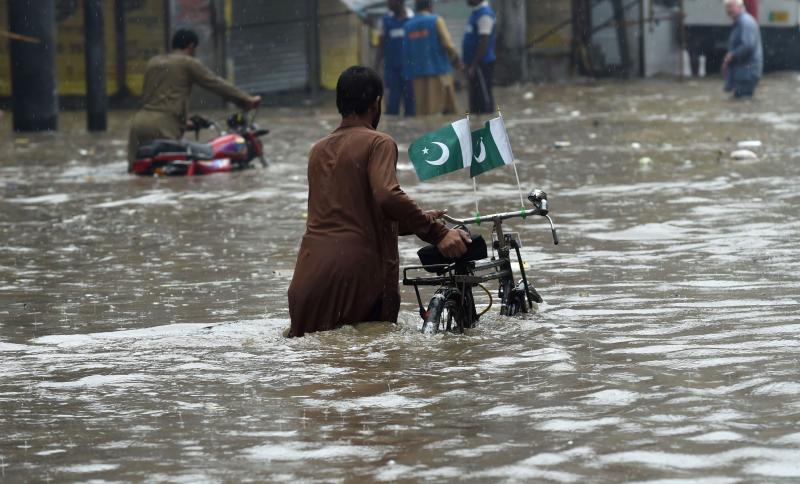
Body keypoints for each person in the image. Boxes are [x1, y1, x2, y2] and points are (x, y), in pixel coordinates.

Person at [287, 66, 470, 337]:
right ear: (376, 103)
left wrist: (416, 219)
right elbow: (386, 194)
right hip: (358, 277)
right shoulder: (378, 142)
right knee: (374, 370)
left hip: (307, 279)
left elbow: (347, 217)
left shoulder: (318, 150)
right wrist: (438, 232)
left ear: (340, 103)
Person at [127, 29, 260, 171]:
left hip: (138, 125)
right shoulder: (187, 63)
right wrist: (246, 99)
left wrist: (186, 122)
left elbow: (158, 100)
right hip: (162, 127)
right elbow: (215, 83)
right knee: (171, 180)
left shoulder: (153, 62)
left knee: (136, 172)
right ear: (191, 46)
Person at [404, 0, 462, 115]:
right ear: (430, 6)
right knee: (444, 113)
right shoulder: (436, 20)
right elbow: (448, 44)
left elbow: (406, 51)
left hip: (417, 75)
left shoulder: (408, 26)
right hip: (439, 72)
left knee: (423, 113)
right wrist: (456, 59)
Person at [375, 0, 415, 116]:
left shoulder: (413, 20)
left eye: (391, 1)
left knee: (411, 106)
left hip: (410, 70)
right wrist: (376, 66)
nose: (388, 3)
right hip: (391, 70)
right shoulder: (385, 20)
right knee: (392, 105)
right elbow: (380, 45)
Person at [722, 0, 762, 98]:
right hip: (743, 72)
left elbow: (747, 45)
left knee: (742, 104)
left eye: (731, 6)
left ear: (740, 6)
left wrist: (731, 55)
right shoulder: (741, 21)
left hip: (747, 73)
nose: (728, 10)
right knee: (740, 104)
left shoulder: (745, 22)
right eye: (727, 7)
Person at [463, 0, 497, 114]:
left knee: (483, 99)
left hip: (481, 64)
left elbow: (484, 42)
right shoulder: (476, 13)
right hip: (474, 64)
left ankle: (486, 124)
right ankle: (476, 125)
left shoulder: (484, 14)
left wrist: (474, 65)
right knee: (475, 100)